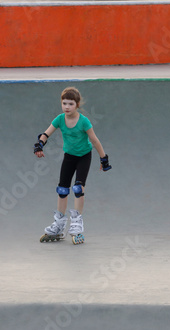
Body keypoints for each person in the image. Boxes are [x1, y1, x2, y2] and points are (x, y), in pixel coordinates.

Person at [34, 87, 111, 243]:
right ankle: (59, 224)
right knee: (62, 189)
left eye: (70, 104)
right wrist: (39, 144)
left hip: (84, 156)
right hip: (69, 157)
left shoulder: (83, 121)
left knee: (78, 188)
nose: (67, 107)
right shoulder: (60, 119)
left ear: (77, 105)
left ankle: (76, 224)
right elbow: (46, 133)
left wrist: (103, 158)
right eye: (64, 103)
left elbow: (94, 140)